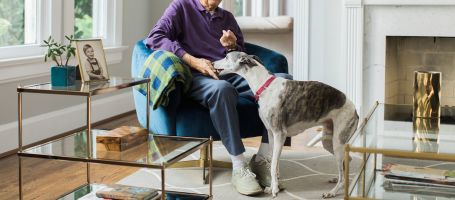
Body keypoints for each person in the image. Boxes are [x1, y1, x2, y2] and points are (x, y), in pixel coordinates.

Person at [146, 0, 289, 195]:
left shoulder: (227, 17)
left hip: (232, 72)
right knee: (222, 89)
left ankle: (262, 158)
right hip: (198, 75)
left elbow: (240, 55)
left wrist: (232, 47)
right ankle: (239, 166)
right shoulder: (181, 7)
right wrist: (193, 61)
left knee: (281, 82)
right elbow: (155, 37)